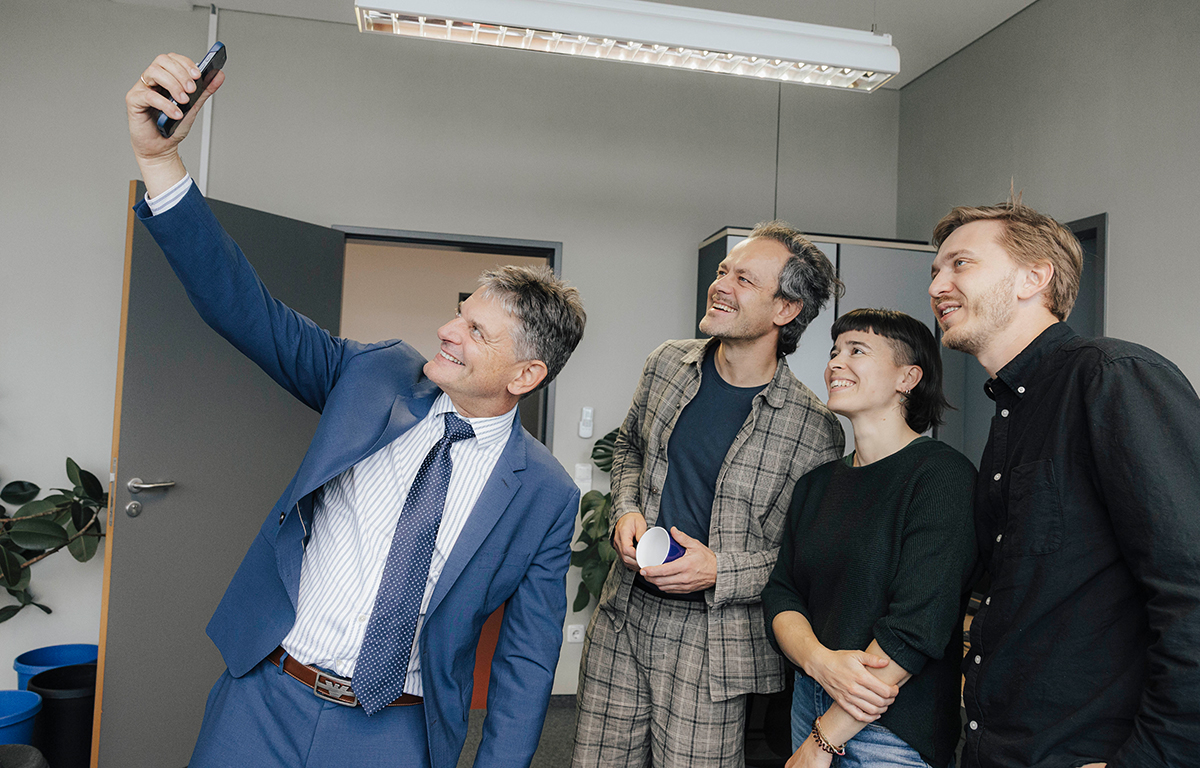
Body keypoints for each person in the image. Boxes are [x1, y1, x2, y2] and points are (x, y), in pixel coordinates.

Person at [125, 51, 587, 768]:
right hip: (265, 700)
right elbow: (244, 309)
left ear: (526, 373)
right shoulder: (373, 377)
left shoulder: (548, 495)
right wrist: (159, 162)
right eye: (458, 314)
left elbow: (527, 663)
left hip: (393, 732)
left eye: (476, 331)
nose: (447, 330)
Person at [929, 197, 1200, 768]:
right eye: (935, 270)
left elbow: (1191, 592)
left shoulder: (1113, 378)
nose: (937, 286)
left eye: (960, 264)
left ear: (1035, 277)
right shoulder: (1009, 412)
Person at [571, 222, 846, 768]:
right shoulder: (668, 363)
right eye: (724, 271)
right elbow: (629, 447)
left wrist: (720, 569)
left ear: (785, 309)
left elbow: (802, 556)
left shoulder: (815, 429)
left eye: (744, 278)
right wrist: (625, 508)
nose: (721, 284)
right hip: (623, 616)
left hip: (713, 643)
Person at [762, 309, 977, 768]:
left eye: (856, 350)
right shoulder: (815, 485)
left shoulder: (942, 476)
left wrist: (822, 742)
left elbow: (915, 628)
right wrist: (820, 663)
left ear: (908, 377)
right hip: (809, 702)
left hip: (891, 729)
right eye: (834, 351)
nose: (836, 362)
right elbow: (783, 593)